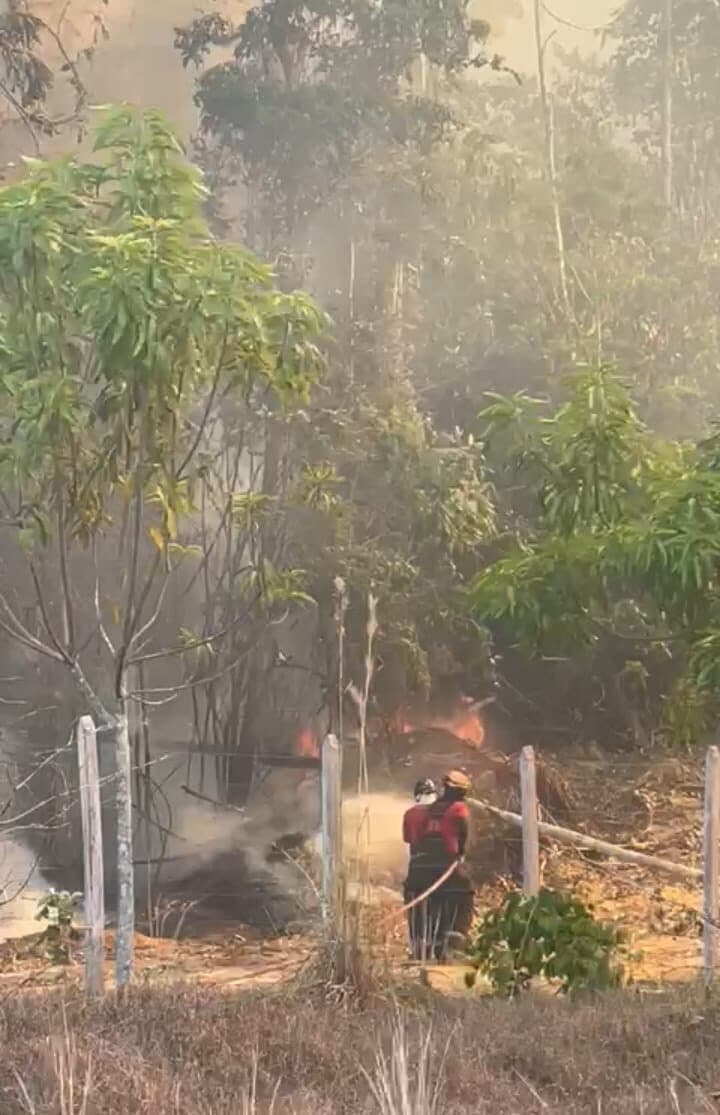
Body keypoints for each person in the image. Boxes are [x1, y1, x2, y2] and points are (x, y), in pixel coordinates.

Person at [403, 769, 474, 962]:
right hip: (446, 870)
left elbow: (411, 845)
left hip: (417, 870)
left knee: (418, 904)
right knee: (463, 898)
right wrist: (460, 858)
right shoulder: (460, 809)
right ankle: (451, 945)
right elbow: (463, 843)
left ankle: (419, 949)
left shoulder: (417, 812)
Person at [402, 779, 437, 958]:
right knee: (435, 907)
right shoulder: (441, 814)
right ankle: (433, 948)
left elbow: (408, 840)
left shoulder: (410, 814)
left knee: (414, 906)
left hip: (417, 865)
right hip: (438, 867)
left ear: (417, 795)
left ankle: (416, 949)